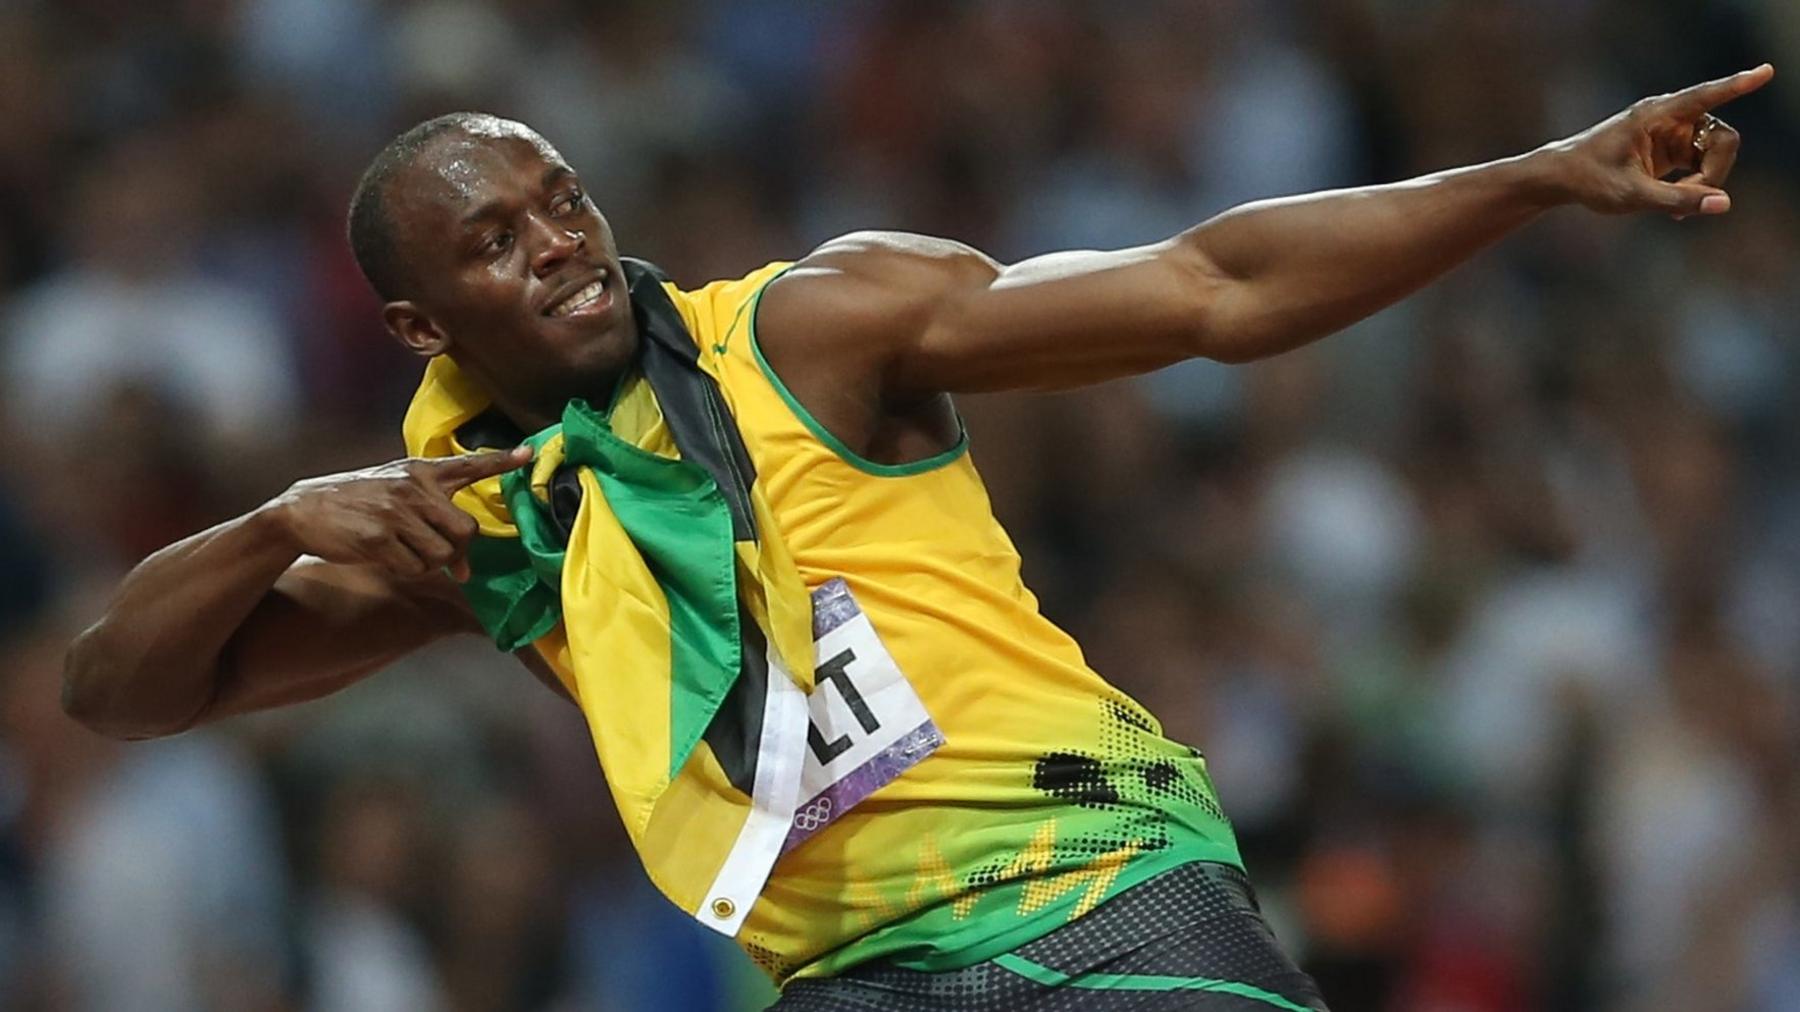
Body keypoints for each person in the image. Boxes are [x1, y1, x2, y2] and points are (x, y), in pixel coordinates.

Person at [64, 65, 1772, 1011]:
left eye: (565, 202)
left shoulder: (813, 327)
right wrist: (272, 523)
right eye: (499, 245)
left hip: (1101, 896)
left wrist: (1539, 173)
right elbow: (126, 691)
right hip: (854, 984)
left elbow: (1209, 288)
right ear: (420, 330)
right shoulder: (499, 534)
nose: (565, 248)